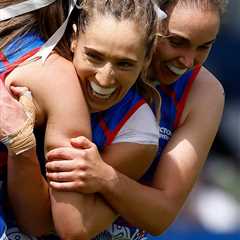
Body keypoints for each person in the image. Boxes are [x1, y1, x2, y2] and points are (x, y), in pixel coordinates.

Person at [44, 0, 227, 238]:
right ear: (148, 24)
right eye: (176, 41)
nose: (188, 61)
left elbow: (161, 215)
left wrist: (106, 178)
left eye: (204, 47)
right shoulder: (76, 56)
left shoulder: (204, 92)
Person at [0, 0, 163, 239]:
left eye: (125, 63)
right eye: (94, 56)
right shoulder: (56, 80)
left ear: (147, 58)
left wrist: (107, 179)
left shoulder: (136, 126)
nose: (105, 79)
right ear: (74, 38)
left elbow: (68, 227)